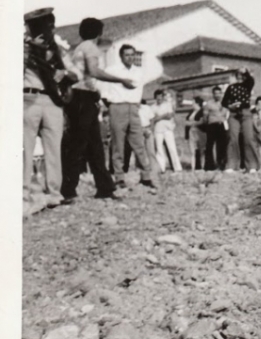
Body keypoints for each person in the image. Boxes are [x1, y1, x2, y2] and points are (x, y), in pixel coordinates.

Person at [61, 18, 133, 202]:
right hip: (83, 98)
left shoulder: (79, 48)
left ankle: (105, 187)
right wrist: (121, 80)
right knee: (79, 144)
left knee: (94, 144)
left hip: (83, 97)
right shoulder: (91, 48)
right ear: (99, 33)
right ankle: (67, 190)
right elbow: (93, 71)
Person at [23, 8, 78, 207]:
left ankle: (54, 193)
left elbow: (75, 75)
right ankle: (24, 194)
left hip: (53, 100)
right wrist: (27, 46)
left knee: (53, 149)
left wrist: (63, 74)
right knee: (25, 148)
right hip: (29, 96)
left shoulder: (58, 50)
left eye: (50, 25)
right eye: (43, 26)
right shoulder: (23, 47)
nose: (48, 30)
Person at [103, 43, 157, 189]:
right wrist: (112, 108)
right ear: (121, 56)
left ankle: (145, 177)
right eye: (127, 55)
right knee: (118, 144)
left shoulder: (139, 71)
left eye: (132, 54)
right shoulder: (111, 70)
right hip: (117, 107)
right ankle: (119, 177)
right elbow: (103, 91)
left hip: (134, 108)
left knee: (138, 143)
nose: (130, 57)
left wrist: (134, 106)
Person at [222, 68, 259, 173]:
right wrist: (231, 106)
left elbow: (251, 80)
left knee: (248, 138)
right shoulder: (231, 87)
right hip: (233, 114)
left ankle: (252, 166)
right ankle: (231, 165)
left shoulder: (247, 85)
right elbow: (224, 102)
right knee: (232, 139)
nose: (239, 76)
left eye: (241, 75)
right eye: (238, 74)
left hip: (246, 113)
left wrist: (246, 71)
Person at [152, 89, 182, 172]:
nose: (159, 100)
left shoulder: (167, 105)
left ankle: (177, 168)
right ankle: (161, 168)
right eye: (157, 98)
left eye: (160, 98)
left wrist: (159, 117)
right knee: (159, 149)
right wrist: (163, 116)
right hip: (158, 130)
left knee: (172, 148)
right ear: (155, 98)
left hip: (168, 129)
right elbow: (152, 119)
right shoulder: (153, 107)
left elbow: (170, 116)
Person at [203, 86, 227, 170]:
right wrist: (207, 125)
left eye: (219, 93)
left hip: (222, 125)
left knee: (222, 145)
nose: (217, 95)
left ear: (221, 94)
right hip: (212, 125)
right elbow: (205, 116)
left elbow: (226, 114)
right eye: (215, 93)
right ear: (213, 94)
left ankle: (221, 164)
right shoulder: (208, 104)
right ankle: (209, 166)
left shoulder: (225, 103)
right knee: (209, 145)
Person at [186, 96, 206, 171]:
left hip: (200, 132)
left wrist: (191, 123)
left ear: (197, 103)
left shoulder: (202, 111)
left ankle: (202, 167)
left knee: (202, 150)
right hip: (191, 131)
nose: (192, 104)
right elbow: (186, 123)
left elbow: (202, 122)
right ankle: (193, 168)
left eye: (193, 103)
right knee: (192, 150)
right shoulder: (191, 112)